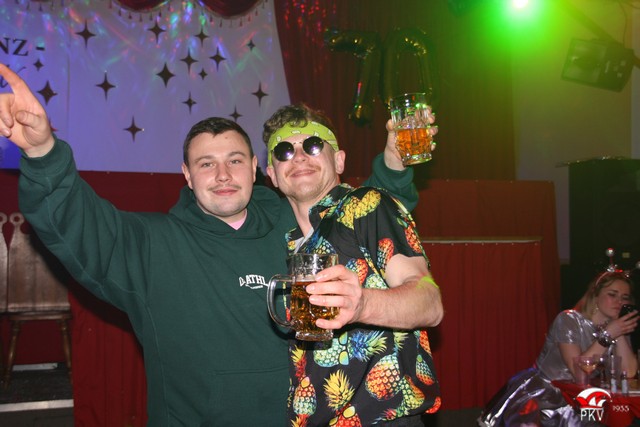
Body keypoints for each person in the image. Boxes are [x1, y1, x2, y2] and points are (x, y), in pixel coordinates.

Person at [0, 63, 426, 426]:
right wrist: (42, 152)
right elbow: (77, 223)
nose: (223, 175)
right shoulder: (152, 245)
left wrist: (394, 163)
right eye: (206, 164)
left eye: (235, 160)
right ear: (187, 174)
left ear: (257, 168)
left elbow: (365, 220)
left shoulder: (296, 228)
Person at [262, 103, 443, 427]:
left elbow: (429, 302)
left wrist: (362, 305)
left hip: (381, 418)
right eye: (284, 151)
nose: (299, 156)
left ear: (339, 160)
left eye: (313, 145)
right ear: (272, 174)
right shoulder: (286, 242)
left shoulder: (367, 205)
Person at [478, 270, 639, 426]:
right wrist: (608, 335)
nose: (619, 302)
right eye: (612, 295)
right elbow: (579, 373)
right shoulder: (568, 320)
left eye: (624, 297)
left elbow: (629, 373)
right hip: (545, 396)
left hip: (583, 397)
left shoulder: (614, 328)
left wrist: (620, 333)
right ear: (595, 295)